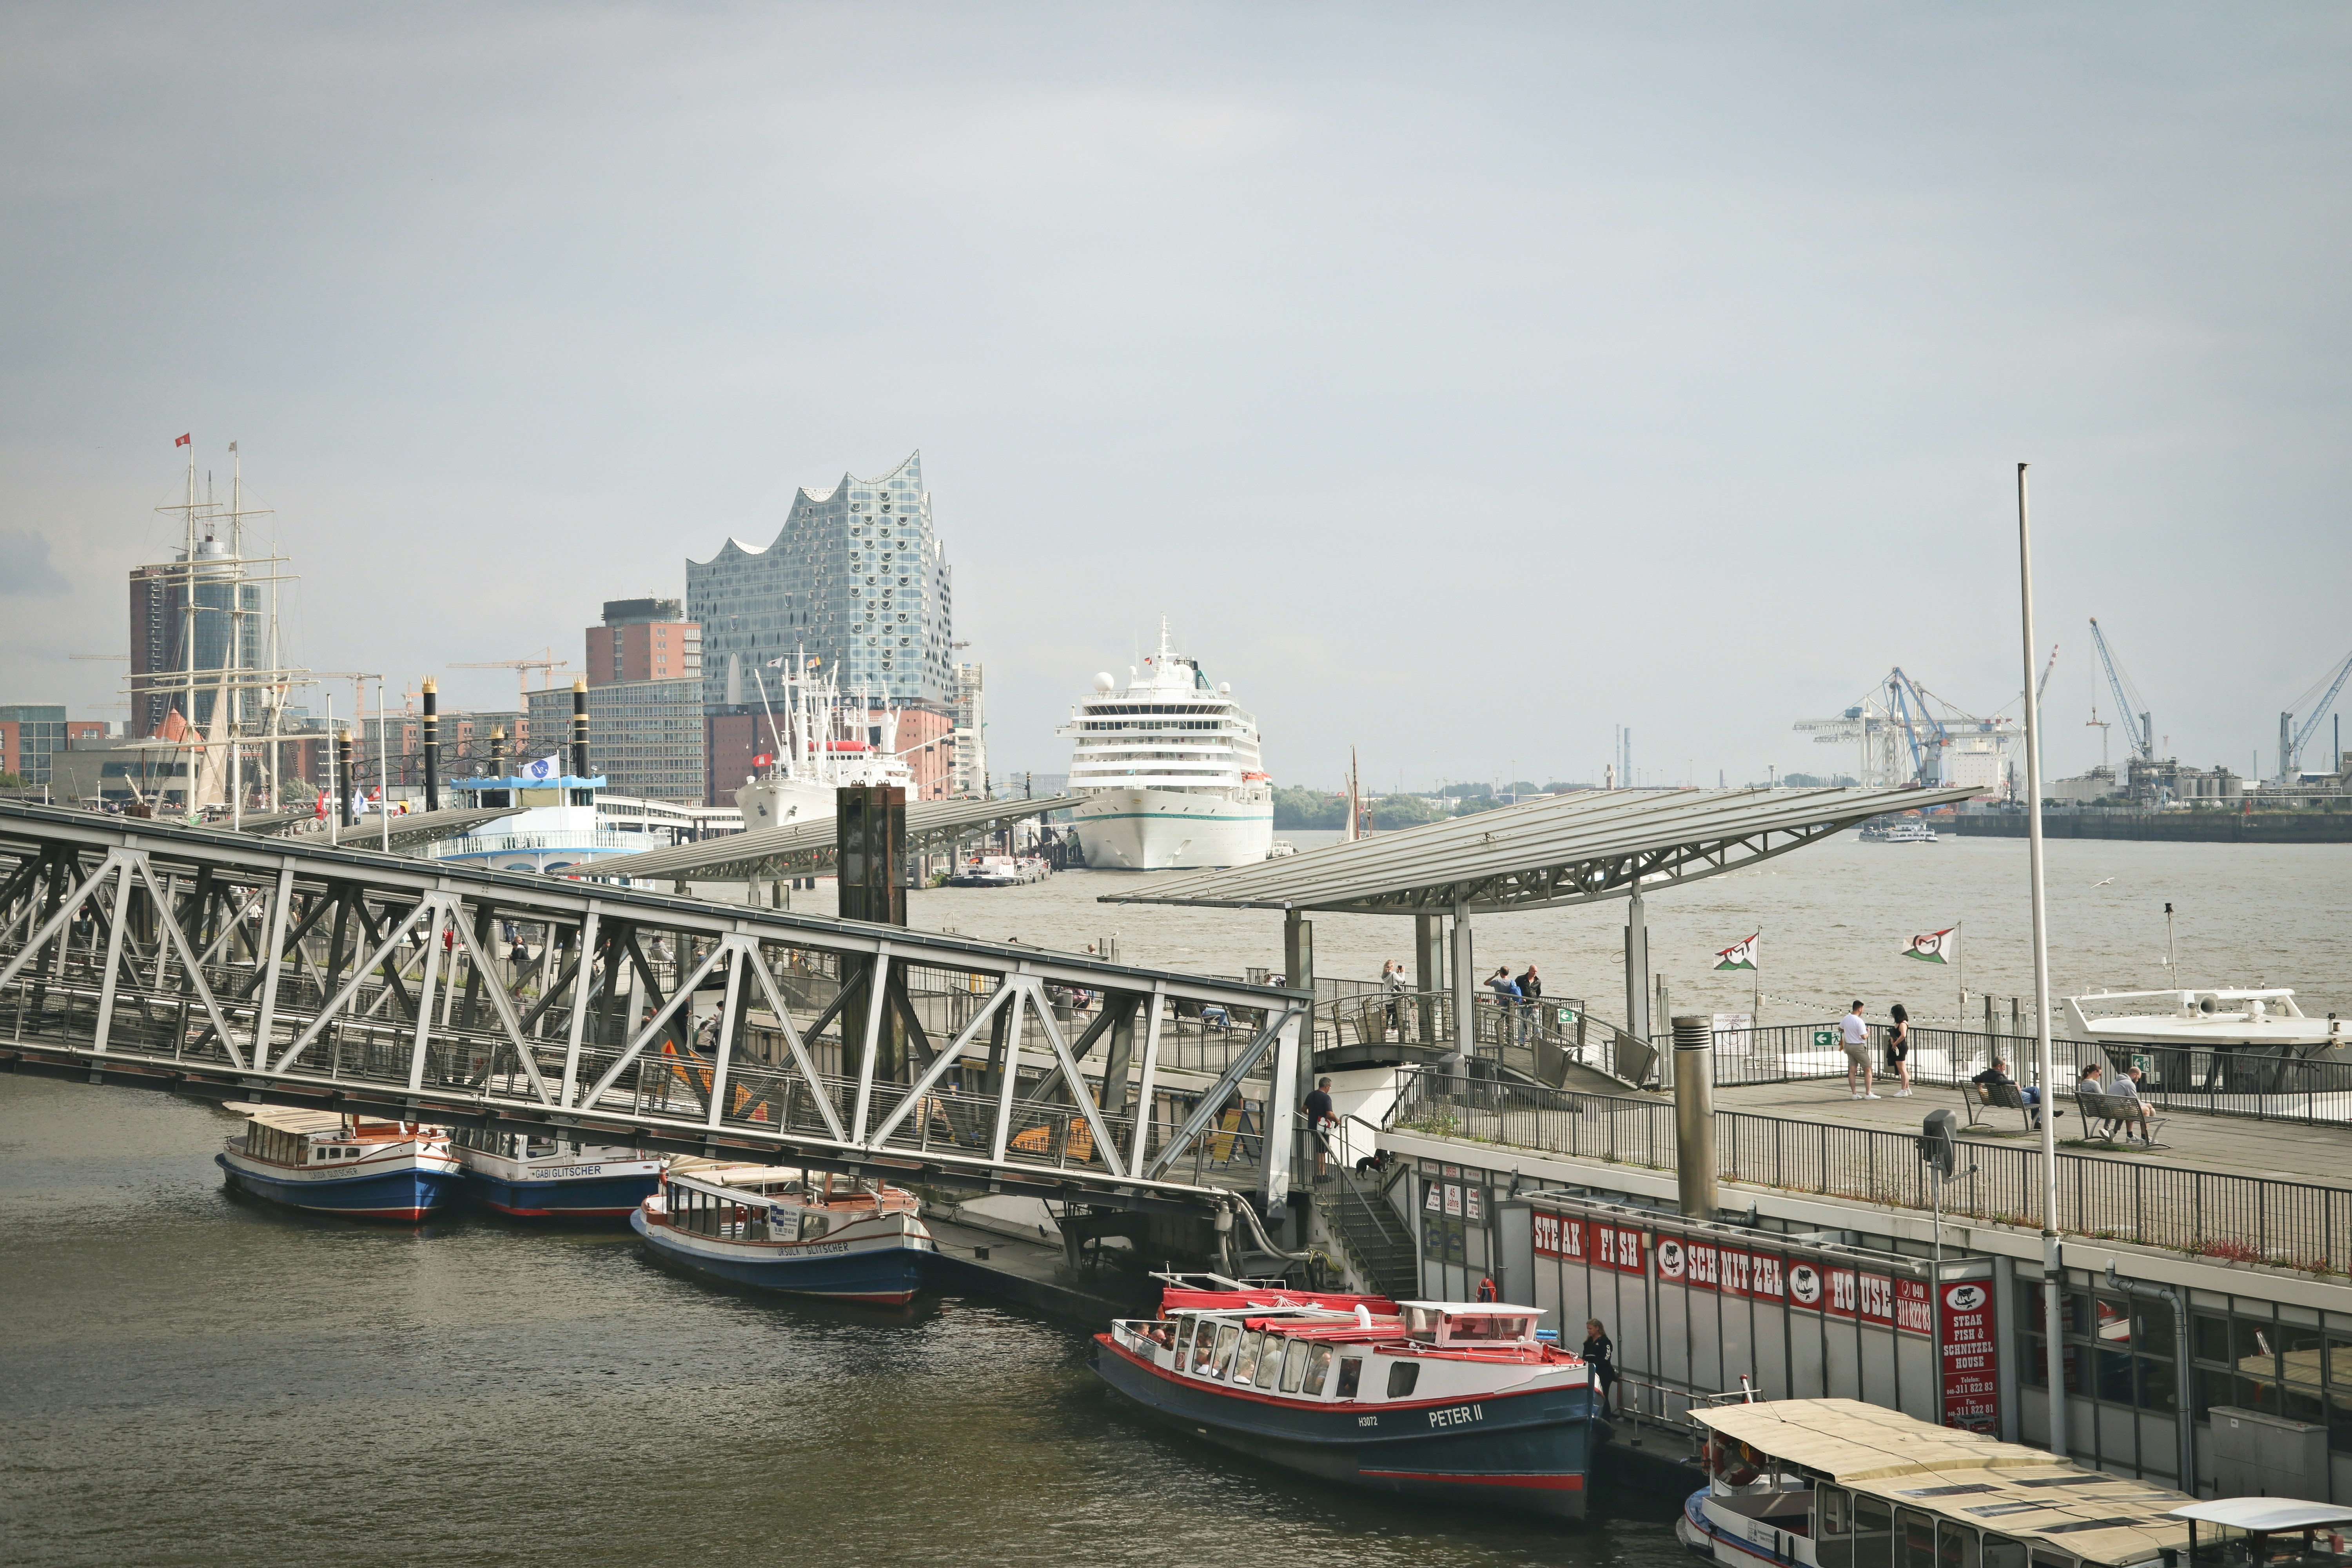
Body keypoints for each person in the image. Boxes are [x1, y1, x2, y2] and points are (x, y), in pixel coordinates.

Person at [1972, 1058, 2054, 1128]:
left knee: (2035, 1089)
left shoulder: (1986, 1074)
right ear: (1999, 1066)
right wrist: (2014, 1082)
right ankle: (2047, 1113)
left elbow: (1974, 1079)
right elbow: (2000, 1081)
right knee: (2035, 1097)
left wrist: (1978, 1082)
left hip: (1998, 1099)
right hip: (2012, 1099)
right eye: (2004, 1067)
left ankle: (2045, 1116)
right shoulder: (1998, 1075)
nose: (2004, 1069)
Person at [2109, 1063, 2155, 1143]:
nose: (2138, 1080)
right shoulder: (2129, 1084)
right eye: (2138, 1078)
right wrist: (2146, 1105)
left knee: (2131, 1108)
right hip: (2119, 1110)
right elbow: (2136, 1102)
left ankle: (2130, 1136)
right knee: (2146, 1110)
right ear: (2135, 1075)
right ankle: (2145, 1138)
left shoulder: (2117, 1081)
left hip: (2111, 1109)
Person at [1840, 1001, 1877, 1099]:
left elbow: (1840, 1028)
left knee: (1852, 1070)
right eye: (1863, 1009)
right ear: (1860, 1009)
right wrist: (1868, 1032)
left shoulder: (1846, 1018)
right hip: (1858, 1047)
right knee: (1868, 1069)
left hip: (1848, 1046)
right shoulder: (1859, 1021)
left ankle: (1854, 1094)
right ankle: (1868, 1093)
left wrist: (1849, 1031)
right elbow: (1864, 1037)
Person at [1583, 1319, 1619, 1415]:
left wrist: (1595, 1366)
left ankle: (1606, 1420)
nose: (1589, 1331)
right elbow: (1585, 1356)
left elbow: (1607, 1357)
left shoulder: (1605, 1342)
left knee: (1603, 1397)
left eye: (1590, 1329)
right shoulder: (1588, 1342)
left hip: (1604, 1373)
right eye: (1588, 1329)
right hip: (1591, 1372)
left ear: (1597, 1328)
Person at [1304, 1075, 1337, 1179]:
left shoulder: (1311, 1095)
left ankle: (1322, 1173)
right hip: (1322, 1127)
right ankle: (1320, 1174)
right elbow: (1330, 1114)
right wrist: (1337, 1120)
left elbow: (1304, 1109)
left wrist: (1312, 1115)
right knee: (1321, 1151)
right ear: (1327, 1086)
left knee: (1319, 1150)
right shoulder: (1326, 1098)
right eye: (1330, 1087)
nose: (1329, 1089)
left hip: (1313, 1126)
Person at [1885, 1002, 1914, 1097]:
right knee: (1903, 1069)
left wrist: (1896, 1044)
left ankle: (1904, 1090)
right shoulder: (1898, 1023)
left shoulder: (1903, 1024)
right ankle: (1908, 1088)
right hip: (1898, 1046)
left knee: (1902, 1070)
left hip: (1901, 1047)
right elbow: (1896, 1034)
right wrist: (1893, 1040)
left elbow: (1903, 1035)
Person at [1517, 964, 1543, 1044]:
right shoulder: (1521, 979)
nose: (1535, 973)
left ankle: (1538, 1041)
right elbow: (1515, 989)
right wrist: (1520, 997)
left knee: (1537, 1023)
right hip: (1523, 1005)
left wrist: (1536, 1001)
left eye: (1536, 972)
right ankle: (1522, 1041)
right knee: (1523, 1023)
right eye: (1533, 971)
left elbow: (1538, 992)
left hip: (1534, 1005)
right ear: (1529, 970)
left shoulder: (1538, 981)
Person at [1383, 959, 1408, 1040]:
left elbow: (1392, 981)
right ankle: (1394, 1029)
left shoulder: (1384, 975)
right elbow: (1402, 981)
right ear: (1392, 966)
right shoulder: (1393, 974)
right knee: (1395, 1013)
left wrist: (1397, 973)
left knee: (1388, 1013)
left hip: (1387, 996)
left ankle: (1386, 1029)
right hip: (1394, 996)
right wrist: (1403, 972)